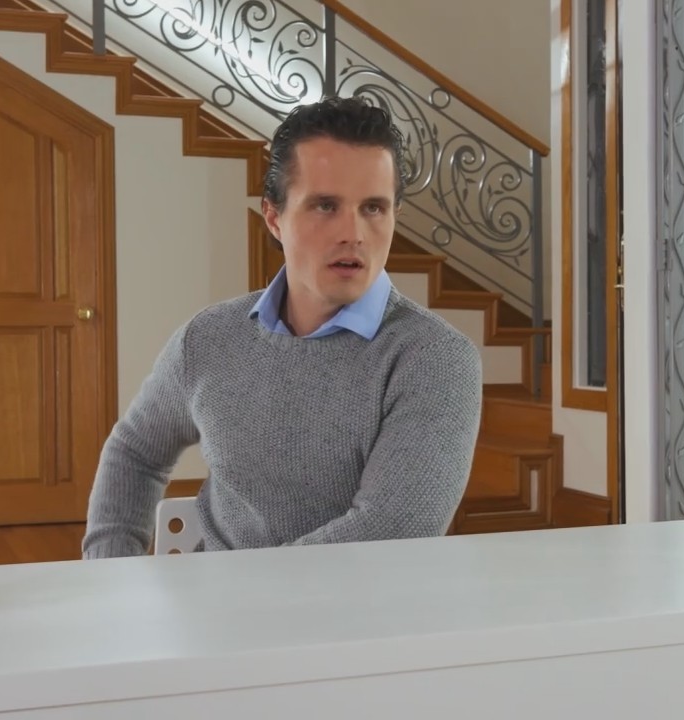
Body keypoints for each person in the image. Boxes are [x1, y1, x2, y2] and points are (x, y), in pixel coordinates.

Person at [81, 96, 484, 558]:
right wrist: (111, 575)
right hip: (214, 597)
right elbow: (134, 452)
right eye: (325, 206)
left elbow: (393, 528)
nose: (353, 233)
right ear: (274, 218)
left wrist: (239, 593)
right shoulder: (208, 338)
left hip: (349, 606)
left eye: (373, 208)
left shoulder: (435, 358)